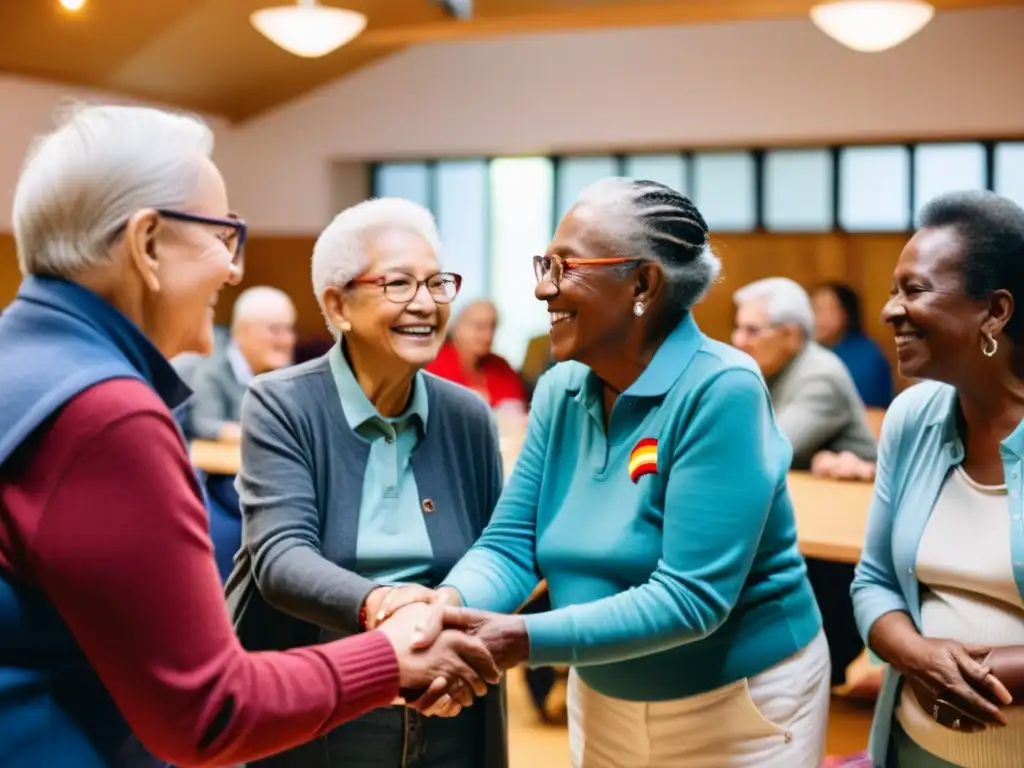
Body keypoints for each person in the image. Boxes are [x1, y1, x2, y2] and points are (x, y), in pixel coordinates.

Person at [0, 104, 499, 767]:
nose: (235, 269)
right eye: (221, 233)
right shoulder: (107, 413)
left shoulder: (24, 361)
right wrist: (390, 652)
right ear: (148, 244)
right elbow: (210, 710)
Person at [383, 178, 830, 766]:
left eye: (565, 266)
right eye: (545, 263)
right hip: (601, 691)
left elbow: (691, 597)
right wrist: (446, 610)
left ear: (643, 283)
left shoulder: (723, 389)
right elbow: (513, 544)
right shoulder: (562, 386)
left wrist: (517, 640)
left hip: (739, 702)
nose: (543, 287)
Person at [224, 198, 508, 768]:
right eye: (399, 284)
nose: (425, 303)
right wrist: (388, 605)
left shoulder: (468, 417)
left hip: (449, 700)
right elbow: (279, 558)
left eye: (437, 283)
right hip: (324, 707)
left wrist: (448, 637)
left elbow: (495, 554)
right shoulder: (282, 403)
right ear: (338, 304)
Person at [851, 190, 1024, 768]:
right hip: (915, 747)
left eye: (914, 290)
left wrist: (980, 675)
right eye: (894, 290)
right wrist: (918, 656)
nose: (890, 310)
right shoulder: (912, 416)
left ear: (995, 312)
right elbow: (873, 581)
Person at [732, 277, 878, 477]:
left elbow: (764, 453)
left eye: (753, 331)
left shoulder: (820, 376)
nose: (739, 341)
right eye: (738, 328)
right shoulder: (763, 370)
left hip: (857, 497)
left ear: (791, 336)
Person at [186, 285, 297, 443]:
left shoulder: (287, 372)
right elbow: (204, 425)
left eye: (289, 329)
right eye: (275, 330)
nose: (286, 340)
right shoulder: (212, 368)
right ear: (241, 331)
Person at [426, 299, 527, 412]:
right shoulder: (433, 362)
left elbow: (518, 408)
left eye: (492, 327)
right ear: (456, 327)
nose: (488, 335)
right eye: (479, 327)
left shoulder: (501, 366)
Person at [812, 281, 893, 408]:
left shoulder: (866, 357)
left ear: (846, 314)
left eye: (824, 310)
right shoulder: (813, 350)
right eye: (814, 309)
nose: (815, 318)